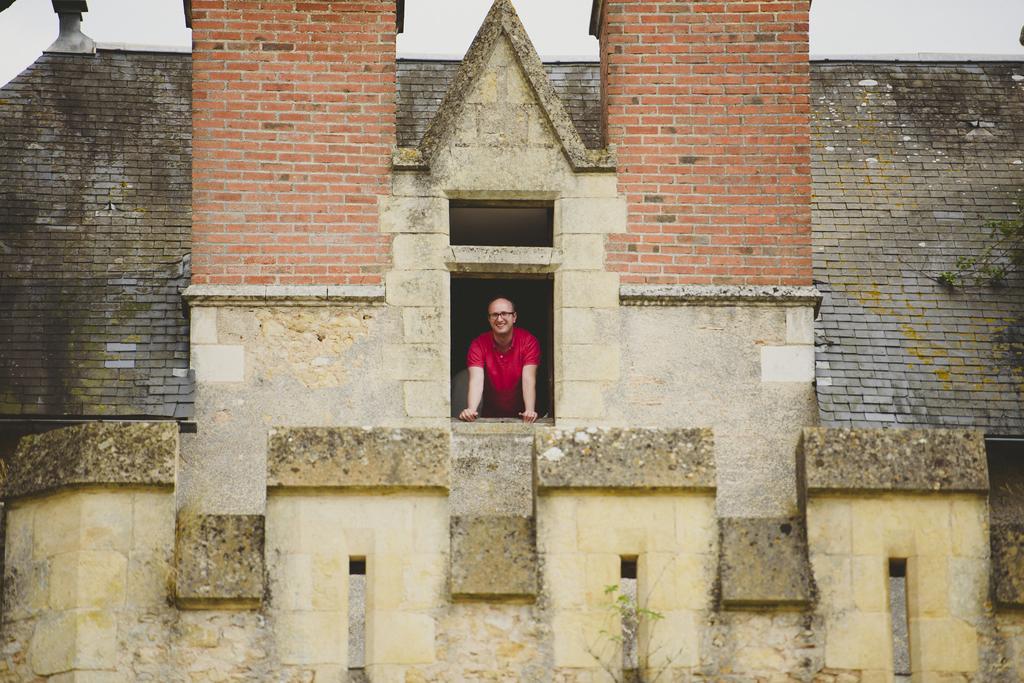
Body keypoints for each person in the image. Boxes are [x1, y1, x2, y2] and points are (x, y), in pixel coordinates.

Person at [458, 297, 540, 423]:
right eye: (495, 315)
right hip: (490, 415)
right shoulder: (478, 344)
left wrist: (529, 410)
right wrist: (471, 410)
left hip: (523, 417)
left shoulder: (528, 341)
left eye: (504, 314)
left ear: (514, 317)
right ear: (489, 319)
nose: (499, 319)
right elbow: (476, 380)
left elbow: (529, 378)